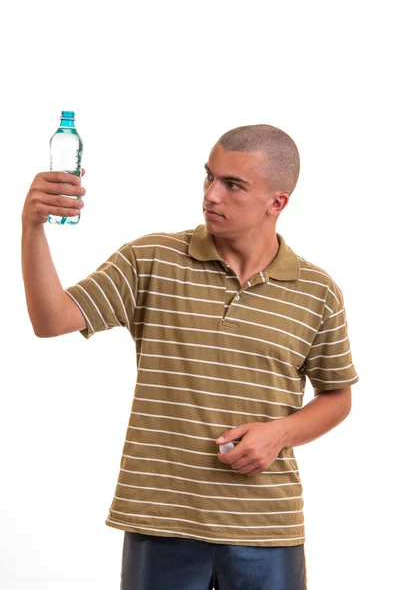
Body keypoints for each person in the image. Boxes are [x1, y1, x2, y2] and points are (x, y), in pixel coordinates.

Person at [21, 124, 359, 590]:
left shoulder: (316, 291)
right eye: (209, 176)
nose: (211, 195)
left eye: (233, 184)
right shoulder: (152, 259)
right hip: (161, 522)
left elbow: (337, 395)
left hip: (266, 528)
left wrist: (279, 433)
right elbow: (50, 319)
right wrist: (32, 226)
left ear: (277, 202)